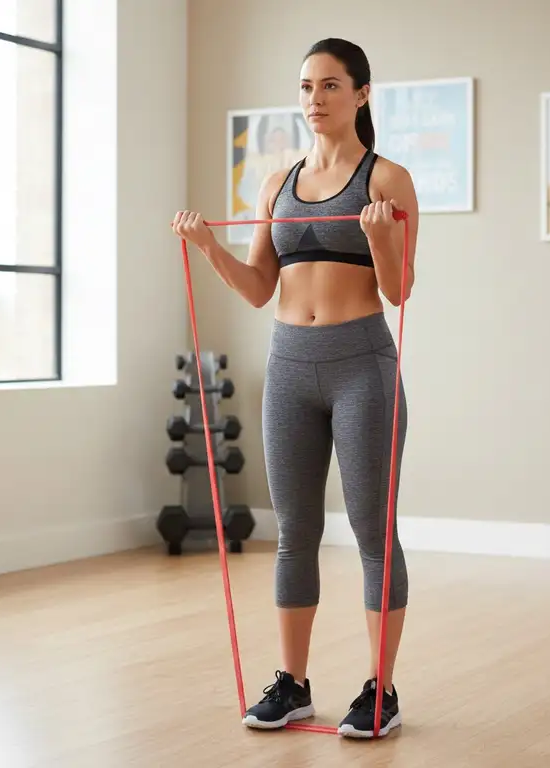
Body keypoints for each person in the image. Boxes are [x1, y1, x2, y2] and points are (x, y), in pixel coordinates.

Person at [172, 37, 419, 739]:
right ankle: (293, 684)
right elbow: (257, 290)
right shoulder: (275, 184)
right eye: (307, 86)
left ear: (362, 94)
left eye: (332, 86)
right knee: (294, 536)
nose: (315, 99)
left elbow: (399, 290)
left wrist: (378, 239)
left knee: (374, 535)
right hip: (288, 366)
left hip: (362, 364)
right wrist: (210, 249)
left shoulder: (387, 180)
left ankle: (380, 691)